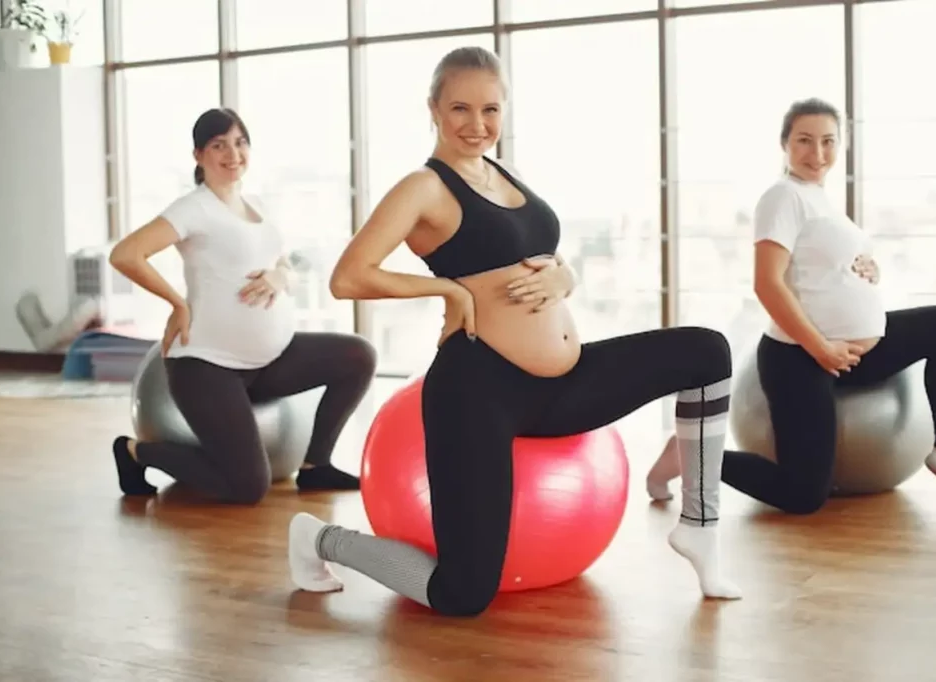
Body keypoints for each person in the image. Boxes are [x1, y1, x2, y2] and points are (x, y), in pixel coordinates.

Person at [287, 46, 744, 617]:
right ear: (432, 108)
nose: (477, 125)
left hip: (561, 384)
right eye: (459, 108)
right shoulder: (424, 187)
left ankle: (700, 525)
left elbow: (537, 256)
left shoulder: (505, 173)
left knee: (706, 351)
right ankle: (319, 538)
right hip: (478, 390)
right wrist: (449, 291)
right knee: (463, 593)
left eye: (491, 110)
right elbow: (348, 277)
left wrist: (565, 274)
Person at [647, 97, 936, 516]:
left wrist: (864, 269)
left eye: (828, 141)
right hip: (799, 358)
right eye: (805, 141)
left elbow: (819, 266)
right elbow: (767, 284)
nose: (818, 153)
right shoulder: (782, 197)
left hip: (850, 353)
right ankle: (691, 451)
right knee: (803, 495)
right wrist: (819, 348)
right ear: (785, 144)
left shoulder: (820, 198)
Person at [108, 107, 376, 504]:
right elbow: (126, 254)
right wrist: (177, 303)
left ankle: (315, 465)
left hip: (268, 361)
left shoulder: (256, 206)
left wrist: (281, 275)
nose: (233, 153)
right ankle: (135, 452)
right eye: (219, 145)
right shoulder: (193, 207)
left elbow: (281, 259)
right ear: (199, 155)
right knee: (247, 487)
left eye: (240, 142)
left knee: (358, 354)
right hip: (207, 368)